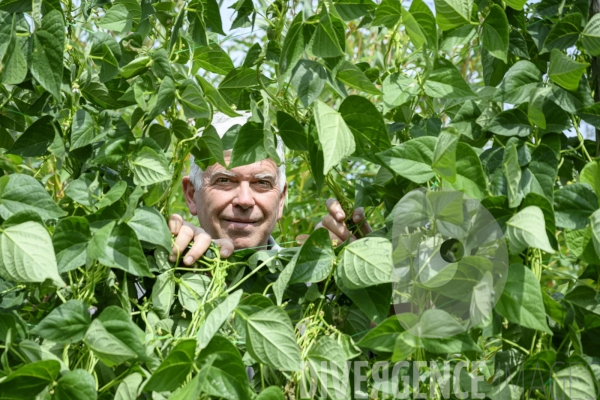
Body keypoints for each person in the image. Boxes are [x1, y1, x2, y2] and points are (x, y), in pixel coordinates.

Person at [168, 113, 373, 265]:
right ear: (192, 195)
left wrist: (359, 272)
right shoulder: (155, 279)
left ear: (281, 199)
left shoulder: (308, 285)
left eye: (262, 183)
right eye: (225, 181)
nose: (245, 200)